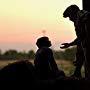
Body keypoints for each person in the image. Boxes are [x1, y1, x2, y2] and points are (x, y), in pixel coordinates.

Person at [63, 4, 90, 79]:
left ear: (72, 13)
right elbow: (80, 37)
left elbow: (85, 34)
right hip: (85, 44)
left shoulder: (83, 15)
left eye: (69, 16)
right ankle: (77, 72)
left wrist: (86, 41)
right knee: (80, 47)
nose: (69, 19)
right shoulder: (78, 20)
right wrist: (69, 44)